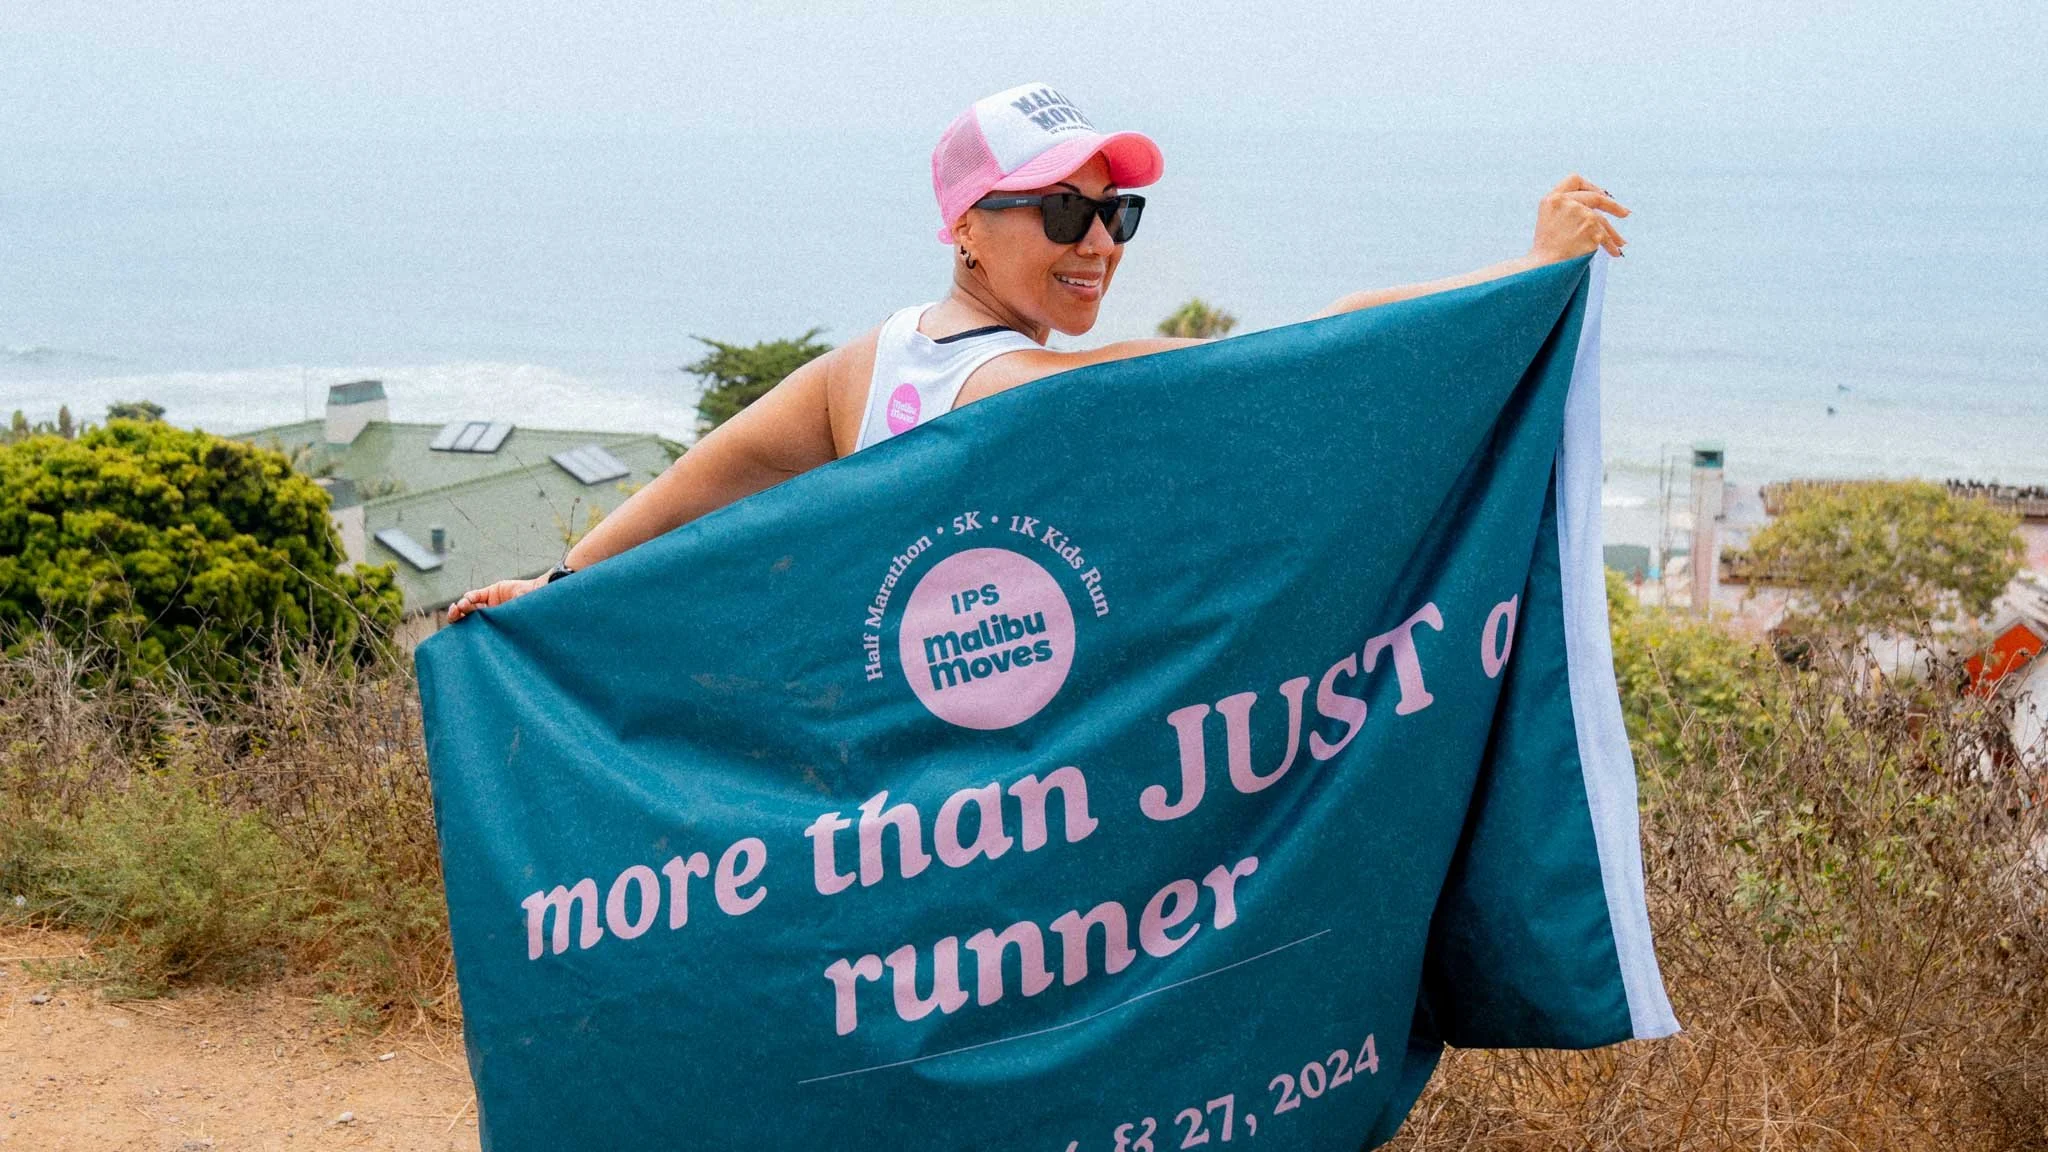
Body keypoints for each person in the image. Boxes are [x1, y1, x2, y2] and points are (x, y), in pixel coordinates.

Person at [449, 82, 1627, 623]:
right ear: (965, 227)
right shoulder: (1036, 387)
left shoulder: (878, 361)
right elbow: (1319, 344)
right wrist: (1517, 278)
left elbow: (698, 485)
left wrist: (558, 587)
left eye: (1115, 215)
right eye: (1061, 214)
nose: (1098, 244)